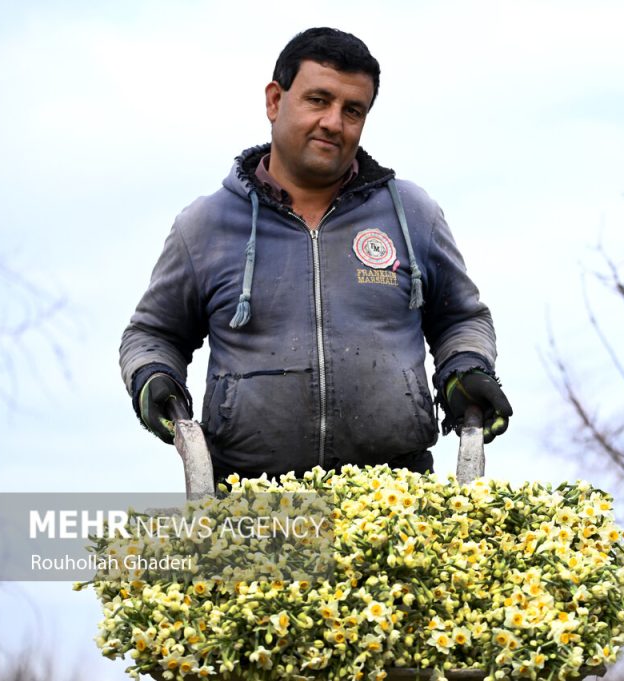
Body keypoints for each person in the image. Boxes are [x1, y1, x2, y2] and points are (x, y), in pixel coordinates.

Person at [119, 27, 511, 482]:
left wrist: (465, 368)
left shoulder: (413, 214)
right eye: (318, 100)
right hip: (250, 496)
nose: (333, 122)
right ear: (274, 101)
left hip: (396, 495)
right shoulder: (205, 226)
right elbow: (152, 333)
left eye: (352, 110)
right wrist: (154, 377)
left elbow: (461, 318)